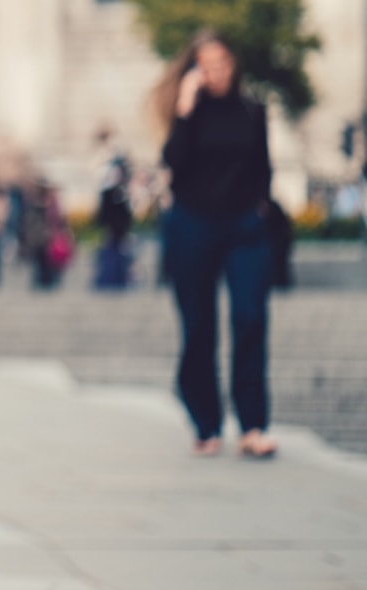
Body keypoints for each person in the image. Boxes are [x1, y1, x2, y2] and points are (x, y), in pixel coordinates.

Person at [154, 30, 278, 459]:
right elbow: (173, 163)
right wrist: (185, 110)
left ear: (234, 64)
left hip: (244, 227)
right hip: (192, 225)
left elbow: (264, 165)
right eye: (206, 66)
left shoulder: (252, 109)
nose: (217, 73)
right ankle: (205, 422)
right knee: (199, 328)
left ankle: (253, 424)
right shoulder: (187, 114)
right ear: (193, 71)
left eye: (222, 63)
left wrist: (259, 208)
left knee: (250, 319)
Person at [93, 128, 135, 289]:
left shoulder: (121, 189)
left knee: (120, 253)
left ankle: (118, 279)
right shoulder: (108, 190)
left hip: (120, 226)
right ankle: (109, 280)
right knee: (111, 253)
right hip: (112, 226)